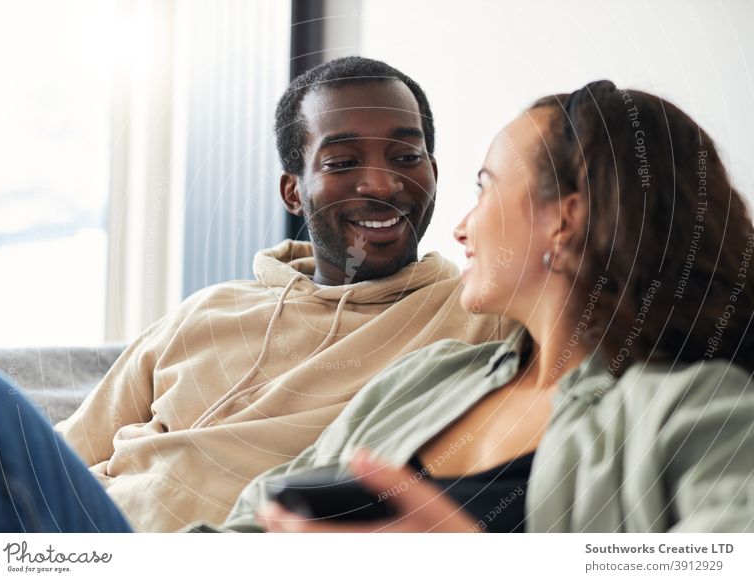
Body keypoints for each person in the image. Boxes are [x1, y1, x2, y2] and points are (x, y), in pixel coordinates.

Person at [0, 57, 504, 533]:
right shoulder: (210, 310)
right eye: (341, 163)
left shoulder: (480, 312)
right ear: (293, 190)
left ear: (433, 172)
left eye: (406, 157)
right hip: (77, 524)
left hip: (177, 551)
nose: (383, 185)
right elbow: (67, 449)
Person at [209, 80, 754, 533]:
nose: (461, 228)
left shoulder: (701, 408)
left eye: (484, 189)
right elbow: (252, 528)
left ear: (564, 219)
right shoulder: (425, 377)